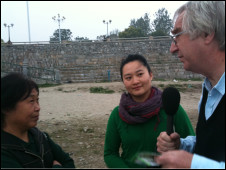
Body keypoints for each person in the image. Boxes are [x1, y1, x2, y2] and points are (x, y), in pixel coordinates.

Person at [155, 1, 225, 169]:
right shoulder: (209, 89)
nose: (172, 48)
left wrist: (191, 164)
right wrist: (183, 146)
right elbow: (213, 145)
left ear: (207, 33)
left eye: (177, 35)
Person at [104, 54, 195, 168]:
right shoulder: (118, 115)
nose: (135, 81)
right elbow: (110, 154)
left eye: (140, 74)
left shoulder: (171, 108)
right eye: (128, 77)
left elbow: (192, 145)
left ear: (151, 75)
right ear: (123, 81)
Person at [1, 72, 76, 168]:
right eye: (31, 101)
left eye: (37, 100)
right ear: (6, 107)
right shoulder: (4, 153)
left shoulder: (40, 137)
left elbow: (68, 162)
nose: (38, 107)